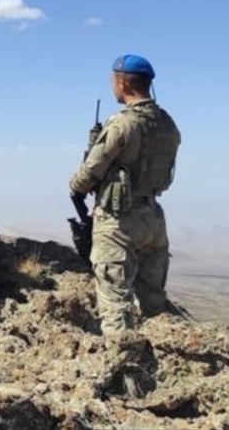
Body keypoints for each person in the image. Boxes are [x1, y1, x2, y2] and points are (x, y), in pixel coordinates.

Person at [69, 54, 181, 336]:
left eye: (113, 81)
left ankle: (124, 369)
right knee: (155, 303)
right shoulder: (167, 123)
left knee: (116, 307)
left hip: (119, 221)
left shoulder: (122, 124)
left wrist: (75, 186)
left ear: (122, 83)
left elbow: (91, 170)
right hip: (153, 218)